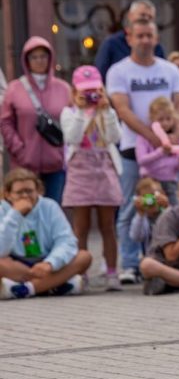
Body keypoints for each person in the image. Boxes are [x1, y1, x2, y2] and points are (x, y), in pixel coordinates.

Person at [107, 19, 179, 285]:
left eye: (149, 35)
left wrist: (176, 135)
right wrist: (154, 138)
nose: (144, 40)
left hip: (168, 156)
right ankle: (129, 264)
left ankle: (169, 259)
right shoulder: (118, 71)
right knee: (132, 207)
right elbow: (123, 109)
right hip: (133, 150)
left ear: (156, 37)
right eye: (139, 35)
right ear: (129, 37)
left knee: (171, 207)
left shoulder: (170, 70)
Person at [61, 65, 122, 291]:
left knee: (108, 225)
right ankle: (81, 273)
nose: (90, 96)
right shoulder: (69, 112)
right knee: (81, 226)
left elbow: (115, 137)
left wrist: (106, 111)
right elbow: (72, 137)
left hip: (104, 165)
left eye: (94, 90)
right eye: (84, 91)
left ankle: (112, 272)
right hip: (80, 169)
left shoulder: (107, 111)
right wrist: (80, 111)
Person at [0, 169, 92, 300]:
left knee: (84, 257)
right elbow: (1, 250)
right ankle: (54, 285)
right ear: (8, 194)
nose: (25, 196)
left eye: (30, 191)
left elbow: (66, 241)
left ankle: (26, 289)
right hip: (18, 265)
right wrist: (15, 215)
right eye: (20, 192)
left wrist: (50, 263)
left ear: (38, 191)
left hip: (47, 262)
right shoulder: (2, 210)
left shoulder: (49, 206)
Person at [0, 36, 72, 202]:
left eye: (43, 56)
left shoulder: (63, 89)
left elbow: (72, 122)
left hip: (55, 165)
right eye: (34, 57)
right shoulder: (15, 89)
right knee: (24, 212)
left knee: (51, 213)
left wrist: (63, 152)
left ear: (50, 58)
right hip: (24, 165)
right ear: (26, 60)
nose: (39, 61)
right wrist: (19, 150)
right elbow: (5, 122)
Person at [94, 0, 167, 79]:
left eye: (150, 17)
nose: (145, 19)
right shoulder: (111, 44)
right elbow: (100, 76)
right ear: (130, 16)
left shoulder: (157, 47)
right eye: (142, 15)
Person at [135, 97, 179, 203]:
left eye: (168, 119)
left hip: (170, 183)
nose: (165, 123)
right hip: (150, 182)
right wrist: (161, 152)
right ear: (152, 119)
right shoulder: (144, 138)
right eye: (160, 119)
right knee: (149, 210)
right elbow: (141, 160)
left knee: (173, 212)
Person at [128, 177, 169, 257]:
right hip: (152, 258)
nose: (150, 202)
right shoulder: (142, 219)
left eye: (154, 196)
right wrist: (140, 213)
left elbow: (174, 227)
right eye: (146, 197)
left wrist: (167, 208)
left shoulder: (168, 214)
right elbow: (136, 236)